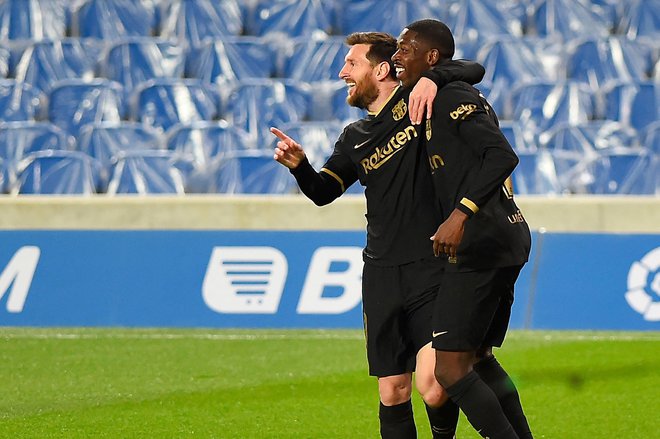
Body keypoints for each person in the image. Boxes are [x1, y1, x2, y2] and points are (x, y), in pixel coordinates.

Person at [270, 32, 484, 438]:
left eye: (352, 64)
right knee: (393, 390)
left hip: (432, 268)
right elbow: (323, 192)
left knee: (434, 386)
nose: (343, 73)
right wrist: (300, 166)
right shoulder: (355, 138)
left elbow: (473, 70)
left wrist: (431, 79)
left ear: (381, 69)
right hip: (382, 276)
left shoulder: (416, 105)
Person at [392, 19, 534, 439]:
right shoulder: (439, 87)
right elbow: (470, 66)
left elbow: (501, 155)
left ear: (431, 57)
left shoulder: (450, 95)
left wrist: (460, 215)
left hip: (480, 241)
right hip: (503, 237)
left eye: (406, 48)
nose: (398, 56)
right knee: (478, 359)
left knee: (450, 370)